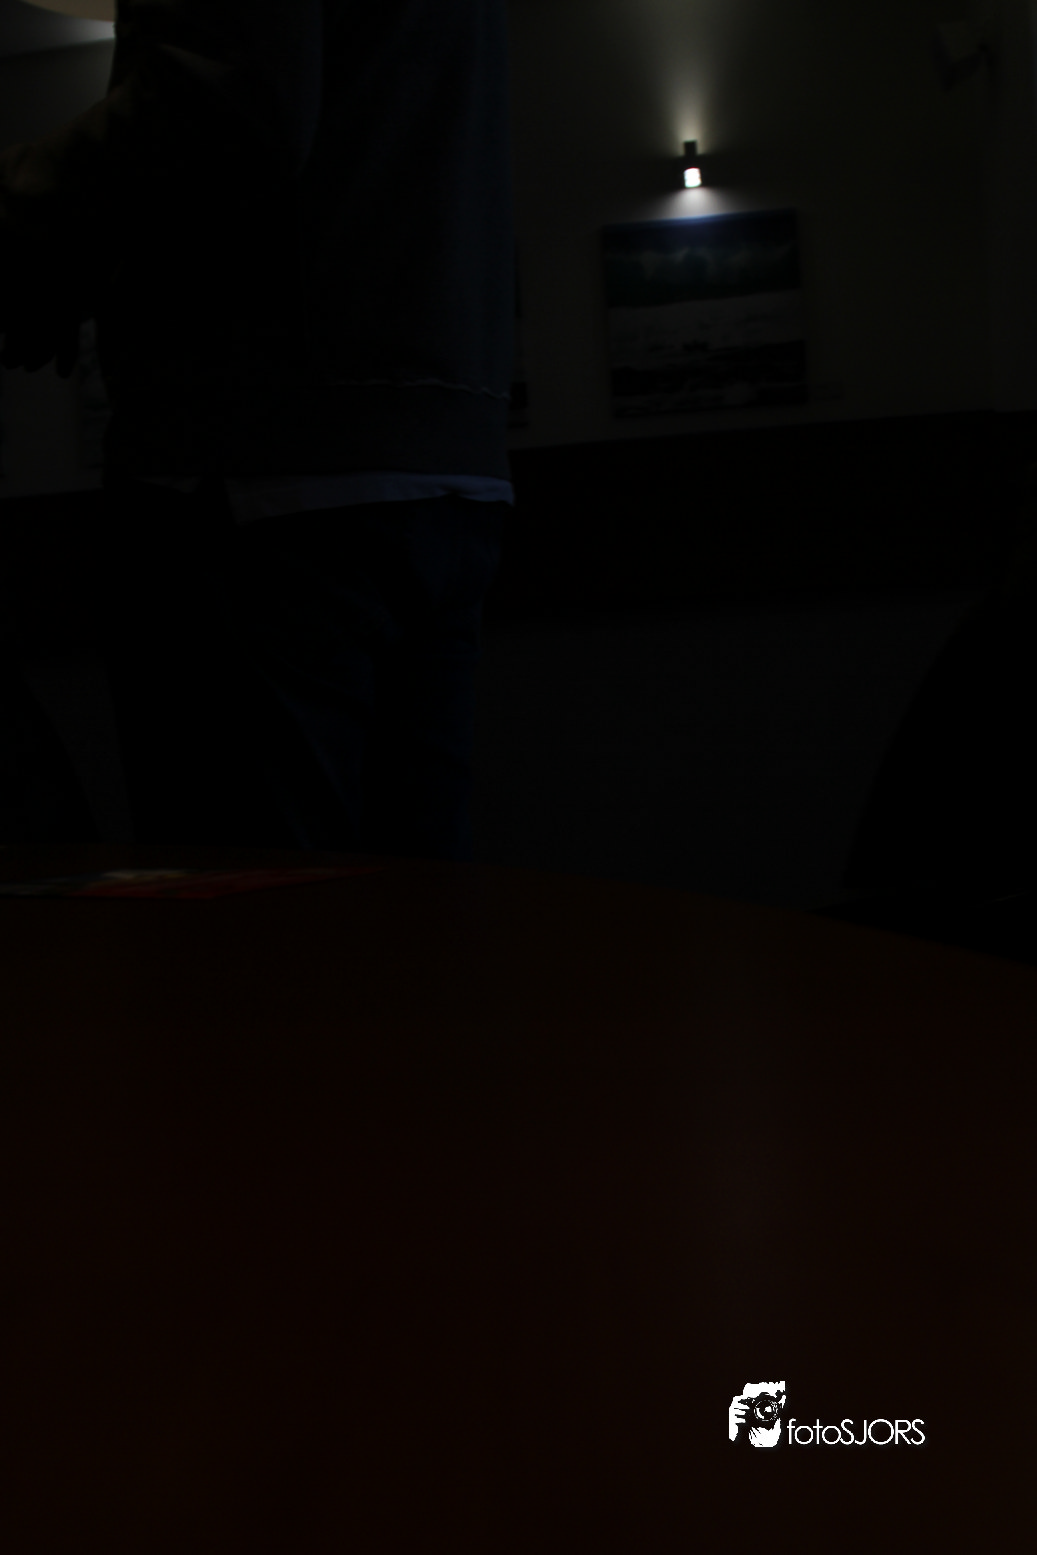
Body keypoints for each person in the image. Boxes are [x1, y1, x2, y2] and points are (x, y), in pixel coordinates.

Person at [0, 0, 516, 861]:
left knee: (257, 922)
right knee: (410, 921)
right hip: (435, 461)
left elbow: (222, 102)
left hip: (259, 471)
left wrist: (23, 218)